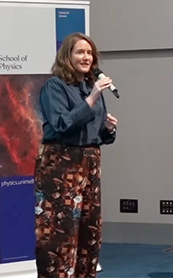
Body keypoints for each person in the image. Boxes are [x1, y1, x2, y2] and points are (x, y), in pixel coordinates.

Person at [34, 32, 118, 278]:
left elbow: (95, 130)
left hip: (90, 164)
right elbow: (61, 124)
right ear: (67, 56)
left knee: (89, 231)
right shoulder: (55, 86)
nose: (86, 57)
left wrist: (109, 129)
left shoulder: (91, 86)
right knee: (60, 233)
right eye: (80, 52)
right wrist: (91, 98)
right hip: (61, 165)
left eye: (90, 53)